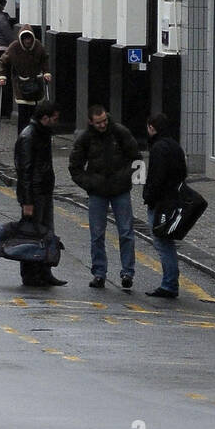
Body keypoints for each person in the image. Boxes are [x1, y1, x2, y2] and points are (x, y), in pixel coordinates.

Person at [69, 104, 141, 290]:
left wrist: (126, 178)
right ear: (91, 122)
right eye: (98, 123)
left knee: (126, 232)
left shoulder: (119, 132)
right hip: (98, 191)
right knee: (97, 234)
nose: (102, 125)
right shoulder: (85, 138)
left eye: (104, 121)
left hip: (120, 190)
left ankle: (127, 273)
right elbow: (75, 167)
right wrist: (90, 183)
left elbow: (136, 158)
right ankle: (99, 273)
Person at [14, 98, 66, 288]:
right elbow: (24, 171)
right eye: (55, 118)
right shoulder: (29, 136)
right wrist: (27, 201)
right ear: (45, 118)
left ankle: (45, 271)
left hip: (43, 190)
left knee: (46, 233)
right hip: (34, 194)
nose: (57, 121)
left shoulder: (42, 133)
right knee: (31, 235)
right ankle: (30, 274)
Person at [142, 112, 187, 299]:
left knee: (162, 243)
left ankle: (169, 284)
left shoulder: (158, 148)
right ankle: (170, 282)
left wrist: (149, 197)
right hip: (173, 200)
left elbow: (156, 178)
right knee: (166, 242)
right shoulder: (175, 146)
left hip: (161, 202)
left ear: (152, 127)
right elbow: (183, 173)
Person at [0, 27, 51, 133]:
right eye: (25, 38)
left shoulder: (38, 46)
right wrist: (2, 76)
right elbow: (3, 61)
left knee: (36, 114)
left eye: (29, 38)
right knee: (23, 113)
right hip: (20, 84)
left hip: (36, 83)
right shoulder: (14, 47)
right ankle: (22, 137)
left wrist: (46, 72)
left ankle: (36, 137)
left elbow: (44, 59)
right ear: (21, 39)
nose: (28, 41)